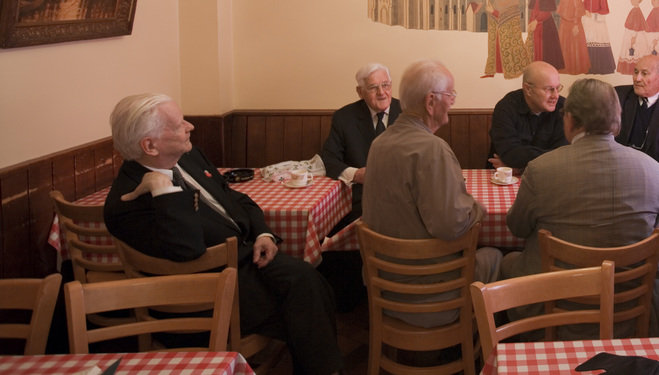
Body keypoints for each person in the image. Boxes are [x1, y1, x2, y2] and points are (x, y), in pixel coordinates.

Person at [103, 94, 344, 375]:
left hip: (243, 261)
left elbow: (234, 198)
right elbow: (186, 249)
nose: (191, 126)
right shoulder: (126, 202)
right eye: (179, 125)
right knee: (308, 301)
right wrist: (163, 189)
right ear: (150, 146)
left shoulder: (189, 157)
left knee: (310, 281)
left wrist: (263, 233)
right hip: (204, 294)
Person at [499, 77, 659, 336]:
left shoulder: (541, 169)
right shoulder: (653, 170)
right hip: (629, 308)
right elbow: (653, 224)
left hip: (554, 310)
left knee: (508, 261)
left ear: (570, 119)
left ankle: (512, 349)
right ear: (617, 119)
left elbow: (518, 228)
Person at [361, 59, 502, 327]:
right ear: (430, 101)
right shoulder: (433, 149)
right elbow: (451, 226)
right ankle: (477, 341)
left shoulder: (379, 143)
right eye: (451, 95)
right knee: (495, 256)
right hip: (427, 296)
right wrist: (476, 208)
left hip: (384, 287)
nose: (453, 102)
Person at [319, 62, 402, 228]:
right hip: (361, 200)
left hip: (403, 195)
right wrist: (356, 174)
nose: (381, 92)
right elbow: (328, 159)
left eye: (385, 85)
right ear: (360, 92)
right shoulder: (344, 118)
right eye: (373, 87)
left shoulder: (408, 112)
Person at [487, 61, 568, 171]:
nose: (555, 96)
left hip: (547, 174)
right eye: (549, 89)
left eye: (557, 88)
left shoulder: (564, 108)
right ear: (528, 89)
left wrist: (519, 169)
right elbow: (510, 154)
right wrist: (552, 156)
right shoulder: (506, 108)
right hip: (502, 176)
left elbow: (564, 155)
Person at [483, 0, 531, 79]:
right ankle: (494, 70)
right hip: (498, 29)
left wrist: (493, 11)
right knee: (497, 48)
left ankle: (511, 70)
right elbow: (496, 13)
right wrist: (491, 11)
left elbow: (511, 15)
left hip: (509, 31)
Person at [528, 0, 565, 69]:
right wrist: (531, 22)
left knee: (547, 48)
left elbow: (547, 12)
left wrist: (536, 21)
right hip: (535, 25)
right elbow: (532, 10)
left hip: (547, 25)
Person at [582, 0, 616, 74]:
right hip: (589, 24)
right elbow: (582, 7)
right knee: (589, 42)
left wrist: (592, 15)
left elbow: (604, 10)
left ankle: (603, 68)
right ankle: (590, 68)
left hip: (598, 24)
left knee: (599, 41)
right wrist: (585, 12)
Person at [557, 0, 590, 75]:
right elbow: (561, 10)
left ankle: (574, 68)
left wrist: (576, 25)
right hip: (564, 25)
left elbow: (578, 11)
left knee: (574, 46)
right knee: (564, 45)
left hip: (573, 24)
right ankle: (565, 68)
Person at [616, 0, 650, 75]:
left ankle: (635, 69)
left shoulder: (637, 11)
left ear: (638, 0)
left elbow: (636, 25)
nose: (631, 0)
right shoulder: (634, 10)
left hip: (634, 35)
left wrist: (634, 37)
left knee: (635, 52)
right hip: (631, 33)